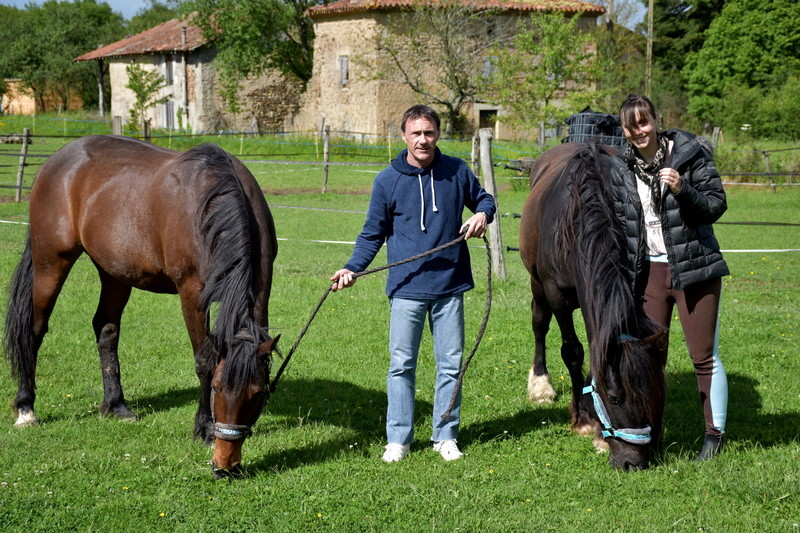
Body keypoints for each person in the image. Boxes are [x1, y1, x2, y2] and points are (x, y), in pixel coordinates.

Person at [330, 105, 496, 462]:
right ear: (403, 136)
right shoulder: (387, 181)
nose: (423, 139)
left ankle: (445, 436)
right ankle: (398, 439)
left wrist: (483, 213)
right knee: (401, 365)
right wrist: (351, 268)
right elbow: (372, 234)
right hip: (406, 289)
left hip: (450, 286)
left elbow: (484, 198)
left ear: (438, 135)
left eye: (429, 133)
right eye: (416, 133)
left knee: (450, 365)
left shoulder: (457, 171)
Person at [608, 94, 729, 461]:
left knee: (703, 356)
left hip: (695, 269)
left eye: (643, 122)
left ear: (656, 120)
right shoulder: (623, 168)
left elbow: (716, 205)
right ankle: (652, 435)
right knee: (649, 359)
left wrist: (682, 188)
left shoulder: (690, 155)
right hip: (649, 273)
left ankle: (713, 435)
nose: (638, 131)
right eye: (630, 126)